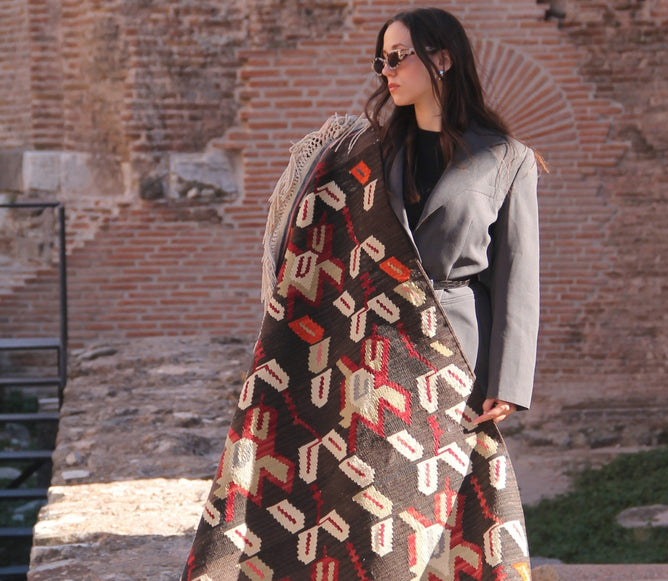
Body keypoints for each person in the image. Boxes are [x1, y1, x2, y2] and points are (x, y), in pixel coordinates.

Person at [182, 8, 538, 580]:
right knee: (375, 506)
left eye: (398, 57)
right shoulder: (360, 155)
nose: (386, 70)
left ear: (442, 59)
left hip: (451, 353)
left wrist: (510, 383)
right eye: (382, 59)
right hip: (364, 351)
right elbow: (311, 238)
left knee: (443, 505)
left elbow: (518, 276)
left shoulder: (506, 159)